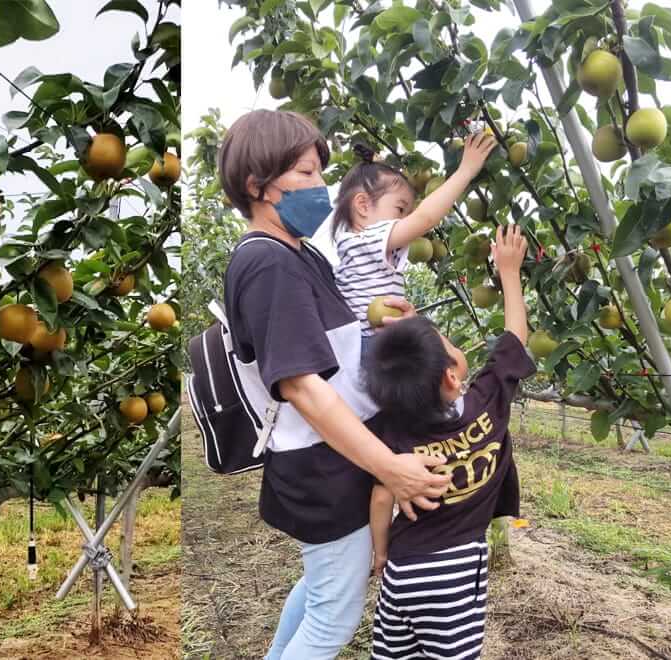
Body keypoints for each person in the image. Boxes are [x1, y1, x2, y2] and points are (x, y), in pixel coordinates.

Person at [217, 108, 452, 660]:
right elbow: (303, 387)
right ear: (258, 185)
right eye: (305, 173)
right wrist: (389, 466)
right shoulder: (267, 263)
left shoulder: (299, 257)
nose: (322, 187)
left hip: (329, 455)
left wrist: (376, 319)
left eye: (320, 171)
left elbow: (330, 342)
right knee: (334, 616)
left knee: (322, 590)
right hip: (322, 464)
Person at [366, 225, 534, 660]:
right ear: (451, 376)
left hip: (402, 572)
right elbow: (515, 335)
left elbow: (382, 497)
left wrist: (381, 555)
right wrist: (509, 272)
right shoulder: (488, 404)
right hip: (455, 576)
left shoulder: (391, 432)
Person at [331, 133, 497, 355]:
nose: (404, 220)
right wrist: (465, 171)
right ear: (362, 205)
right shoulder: (367, 238)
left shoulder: (358, 245)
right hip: (369, 347)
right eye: (400, 209)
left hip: (369, 345)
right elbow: (425, 218)